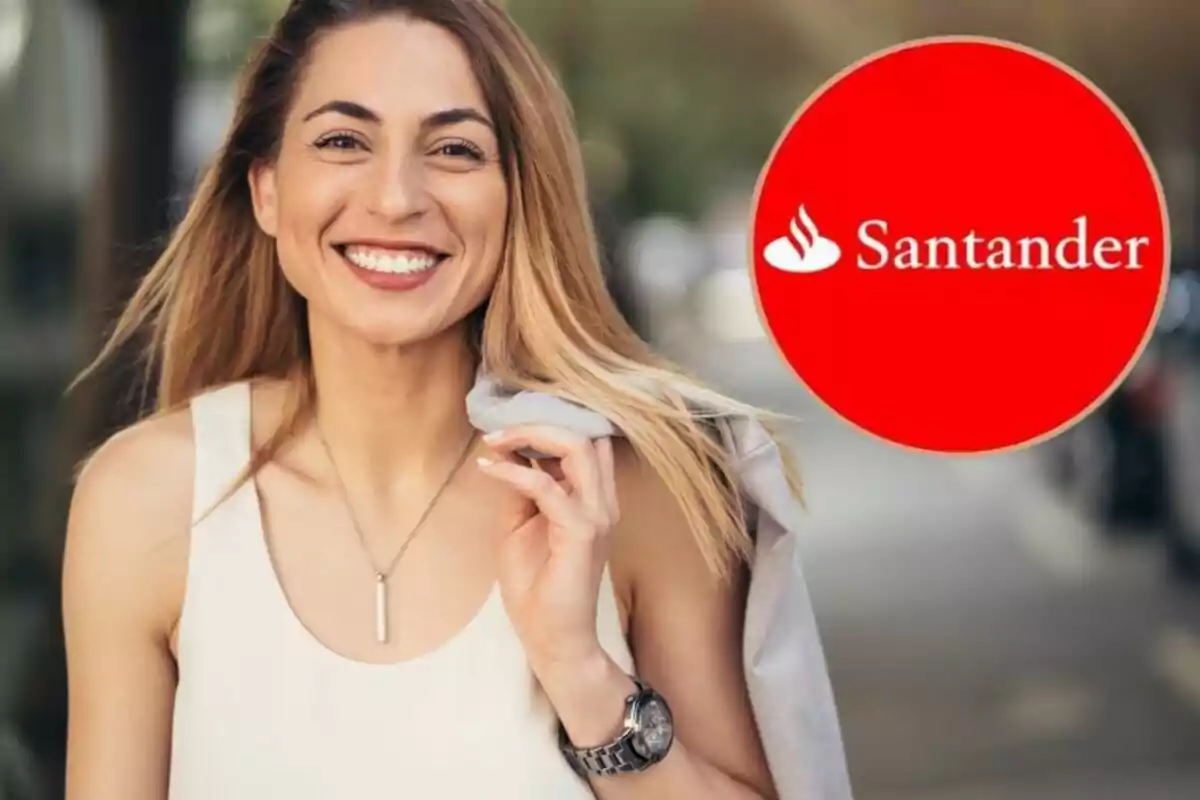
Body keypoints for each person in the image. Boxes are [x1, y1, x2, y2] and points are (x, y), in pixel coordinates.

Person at [61, 1, 812, 797]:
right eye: (343, 141)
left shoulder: (641, 490)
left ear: (520, 195)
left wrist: (580, 668)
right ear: (268, 189)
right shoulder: (146, 502)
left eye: (455, 149)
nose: (395, 198)